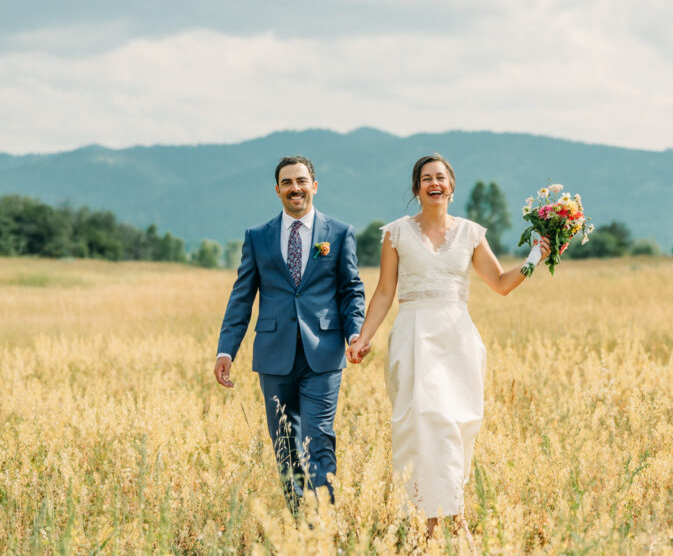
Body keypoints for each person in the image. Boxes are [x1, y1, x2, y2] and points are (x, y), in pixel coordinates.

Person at [347, 154, 550, 536]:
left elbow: (501, 284)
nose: (434, 183)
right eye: (426, 178)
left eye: (441, 177)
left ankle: (453, 515)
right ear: (417, 188)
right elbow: (384, 292)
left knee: (457, 425)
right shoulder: (395, 234)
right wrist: (363, 337)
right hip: (413, 336)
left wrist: (534, 258)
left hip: (457, 338)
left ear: (452, 187)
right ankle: (431, 520)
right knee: (423, 421)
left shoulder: (471, 233)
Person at [214, 155, 366, 512]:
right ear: (277, 190)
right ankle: (299, 520)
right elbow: (242, 297)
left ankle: (322, 522)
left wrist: (355, 333)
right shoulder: (257, 237)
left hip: (324, 353)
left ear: (314, 186)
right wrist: (226, 351)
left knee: (319, 438)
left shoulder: (340, 233)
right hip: (273, 355)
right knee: (284, 444)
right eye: (287, 183)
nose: (294, 188)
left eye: (301, 181)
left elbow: (351, 290)